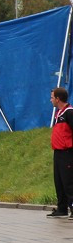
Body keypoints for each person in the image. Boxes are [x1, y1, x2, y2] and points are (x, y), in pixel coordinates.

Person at [47, 87, 73, 219]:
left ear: (58, 99)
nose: (50, 100)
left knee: (69, 182)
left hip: (67, 152)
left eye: (52, 97)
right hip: (58, 153)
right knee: (59, 181)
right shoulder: (59, 113)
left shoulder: (69, 112)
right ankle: (62, 209)